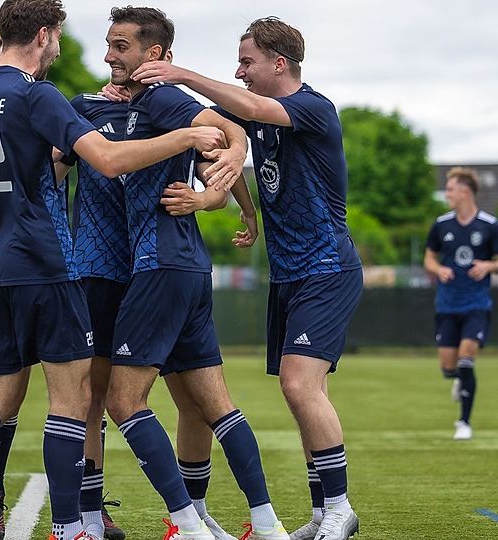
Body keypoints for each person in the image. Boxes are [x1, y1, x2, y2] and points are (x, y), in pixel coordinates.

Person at [0, 1, 233, 540]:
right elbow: (110, 161)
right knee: (74, 402)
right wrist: (186, 138)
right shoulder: (36, 94)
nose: (63, 51)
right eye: (59, 40)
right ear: (44, 35)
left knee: (0, 394)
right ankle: (75, 525)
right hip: (48, 265)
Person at [129, 16, 365, 540]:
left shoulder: (312, 107)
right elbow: (228, 136)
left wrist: (180, 73)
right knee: (306, 393)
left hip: (327, 269)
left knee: (299, 384)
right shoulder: (261, 116)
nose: (239, 72)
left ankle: (341, 508)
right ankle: (324, 513)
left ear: (279, 63)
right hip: (290, 276)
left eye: (247, 62)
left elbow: (253, 110)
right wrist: (244, 206)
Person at [99, 7, 288, 540]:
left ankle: (185, 522)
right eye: (109, 45)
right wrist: (231, 204)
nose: (110, 56)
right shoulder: (141, 103)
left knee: (122, 401)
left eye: (120, 46)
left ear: (153, 55)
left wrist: (229, 161)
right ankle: (266, 523)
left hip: (160, 266)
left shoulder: (161, 97)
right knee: (210, 405)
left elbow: (226, 130)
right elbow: (216, 162)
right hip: (187, 269)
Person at [424, 167, 498, 441]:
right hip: (447, 304)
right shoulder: (441, 225)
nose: (447, 193)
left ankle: (464, 421)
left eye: (450, 189)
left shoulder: (490, 225)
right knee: (449, 367)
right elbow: (428, 259)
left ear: (465, 191)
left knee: (467, 357)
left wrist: (489, 266)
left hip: (477, 303)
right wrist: (438, 270)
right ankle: (458, 377)